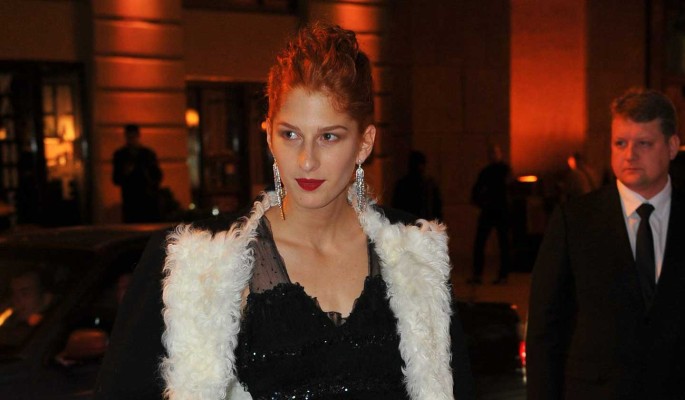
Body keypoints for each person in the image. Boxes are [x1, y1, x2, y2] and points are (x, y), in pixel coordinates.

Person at [95, 22, 474, 400]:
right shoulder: (196, 264)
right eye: (290, 134)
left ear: (364, 143)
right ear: (268, 135)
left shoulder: (417, 254)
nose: (307, 160)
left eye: (329, 137)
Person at [526, 88, 685, 400]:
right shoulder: (575, 220)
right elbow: (545, 329)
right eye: (620, 143)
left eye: (644, 143)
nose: (630, 155)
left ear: (671, 146)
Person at [469, 143, 511, 284]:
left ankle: (500, 275)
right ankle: (481, 274)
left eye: (495, 153)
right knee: (483, 243)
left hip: (497, 210)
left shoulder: (502, 171)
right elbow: (477, 190)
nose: (493, 155)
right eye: (492, 153)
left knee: (501, 243)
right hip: (493, 210)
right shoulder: (492, 171)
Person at [112, 124, 163, 223]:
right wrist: (125, 172)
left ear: (138, 136)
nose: (131, 140)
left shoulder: (147, 154)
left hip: (147, 200)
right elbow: (116, 179)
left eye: (133, 137)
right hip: (131, 201)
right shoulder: (121, 155)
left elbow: (158, 176)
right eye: (129, 137)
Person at [0, 268, 53, 346]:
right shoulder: (12, 327)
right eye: (13, 294)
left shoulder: (51, 334)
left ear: (46, 298)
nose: (15, 300)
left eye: (25, 293)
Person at [391, 150, 443, 220]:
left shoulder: (429, 185)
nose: (420, 167)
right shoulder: (403, 185)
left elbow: (436, 209)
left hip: (420, 221)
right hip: (410, 221)